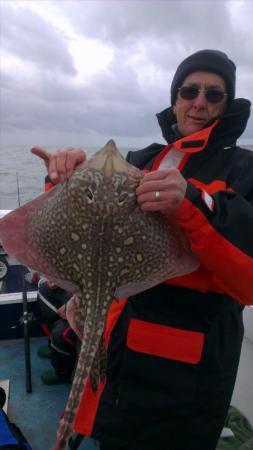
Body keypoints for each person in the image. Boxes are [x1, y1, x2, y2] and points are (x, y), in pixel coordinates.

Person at [32, 49, 253, 450]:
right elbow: (90, 227)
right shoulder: (145, 159)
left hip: (186, 377)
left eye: (214, 94)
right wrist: (64, 181)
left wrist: (193, 200)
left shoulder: (244, 169)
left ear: (226, 105)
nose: (199, 101)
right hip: (121, 352)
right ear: (175, 99)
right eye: (189, 90)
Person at [37, 278, 78, 384]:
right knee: (45, 290)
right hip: (85, 295)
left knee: (60, 333)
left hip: (101, 313)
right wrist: (61, 280)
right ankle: (55, 349)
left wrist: (76, 305)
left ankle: (62, 373)